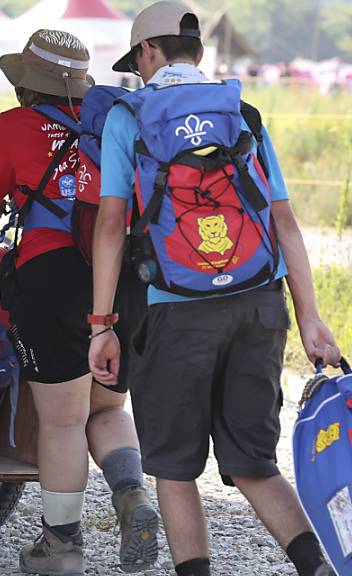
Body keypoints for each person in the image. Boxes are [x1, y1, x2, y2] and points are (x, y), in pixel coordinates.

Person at [88, 3, 340, 576]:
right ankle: (318, 570)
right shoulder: (242, 112)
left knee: (175, 468)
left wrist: (101, 324)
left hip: (172, 310)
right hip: (257, 303)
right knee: (254, 461)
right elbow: (284, 222)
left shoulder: (129, 114)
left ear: (149, 52)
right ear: (198, 52)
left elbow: (109, 225)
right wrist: (311, 319)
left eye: (139, 58)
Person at [0, 29, 159, 575]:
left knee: (61, 421)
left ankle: (62, 548)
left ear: (27, 85)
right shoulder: (117, 122)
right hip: (124, 277)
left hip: (53, 277)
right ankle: (132, 498)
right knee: (106, 409)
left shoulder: (15, 126)